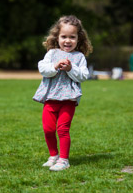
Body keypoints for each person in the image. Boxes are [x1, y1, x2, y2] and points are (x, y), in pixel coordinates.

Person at [33, 15, 93, 171]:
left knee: (63, 129)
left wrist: (70, 68)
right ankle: (54, 156)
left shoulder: (79, 57)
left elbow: (83, 76)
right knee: (48, 129)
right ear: (57, 37)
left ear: (78, 39)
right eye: (64, 36)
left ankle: (64, 160)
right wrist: (55, 66)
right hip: (51, 98)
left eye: (72, 37)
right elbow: (43, 70)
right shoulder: (52, 54)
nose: (68, 40)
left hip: (68, 99)